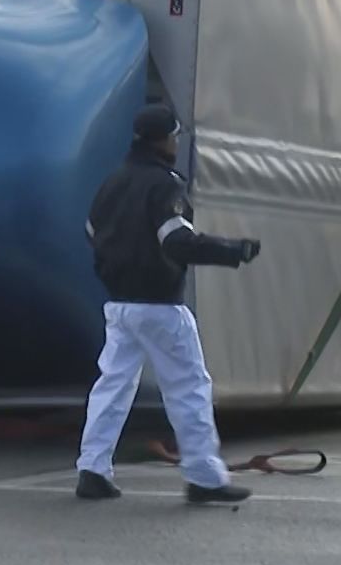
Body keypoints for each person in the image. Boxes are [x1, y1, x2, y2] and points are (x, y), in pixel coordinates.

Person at [77, 104, 261, 506]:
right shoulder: (164, 186)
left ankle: (92, 469)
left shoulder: (113, 182)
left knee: (111, 387)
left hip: (120, 306)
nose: (176, 143)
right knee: (189, 388)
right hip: (160, 306)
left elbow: (93, 233)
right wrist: (233, 250)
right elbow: (176, 241)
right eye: (174, 136)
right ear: (163, 139)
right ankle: (204, 477)